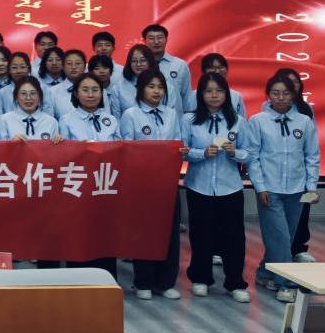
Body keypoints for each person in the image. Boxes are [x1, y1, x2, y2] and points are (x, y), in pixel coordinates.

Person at [249, 73, 321, 303]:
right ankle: (286, 283)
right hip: (269, 189)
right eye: (275, 93)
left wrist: (311, 187)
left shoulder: (304, 122)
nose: (280, 98)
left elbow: (312, 156)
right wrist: (260, 187)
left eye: (286, 93)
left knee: (284, 238)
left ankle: (264, 272)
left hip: (297, 189)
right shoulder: (258, 121)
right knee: (279, 236)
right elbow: (253, 157)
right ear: (268, 95)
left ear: (294, 95)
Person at [183, 73, 251, 303]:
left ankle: (235, 282)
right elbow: (182, 150)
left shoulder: (237, 121)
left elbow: (249, 153)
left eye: (219, 91)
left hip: (229, 187)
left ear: (227, 94)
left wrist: (234, 153)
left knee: (234, 236)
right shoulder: (189, 120)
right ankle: (201, 278)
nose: (214, 95)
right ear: (201, 94)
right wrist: (201, 153)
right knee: (200, 233)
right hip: (198, 185)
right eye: (209, 91)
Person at [120, 70, 185, 301]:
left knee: (169, 233)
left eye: (160, 87)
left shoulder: (171, 114)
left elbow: (177, 142)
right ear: (141, 89)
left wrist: (179, 151)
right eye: (151, 86)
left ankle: (166, 282)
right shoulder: (131, 114)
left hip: (167, 181)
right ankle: (144, 281)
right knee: (144, 233)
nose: (156, 91)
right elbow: (127, 148)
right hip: (142, 183)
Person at [142, 23, 192, 116]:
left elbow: (187, 96)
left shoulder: (180, 65)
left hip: (176, 119)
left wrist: (188, 118)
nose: (156, 42)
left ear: (166, 40)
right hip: (145, 119)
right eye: (152, 38)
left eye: (160, 37)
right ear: (144, 41)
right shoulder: (140, 66)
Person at [0, 78, 61, 142]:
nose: (28, 98)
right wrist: (11, 143)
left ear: (39, 97)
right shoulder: (4, 120)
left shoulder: (51, 122)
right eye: (23, 93)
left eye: (33, 93)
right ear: (16, 97)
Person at [58, 74, 119, 141]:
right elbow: (64, 147)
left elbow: (119, 146)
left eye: (95, 90)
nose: (90, 95)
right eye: (85, 90)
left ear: (101, 93)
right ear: (76, 94)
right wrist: (79, 146)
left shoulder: (112, 120)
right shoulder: (66, 120)